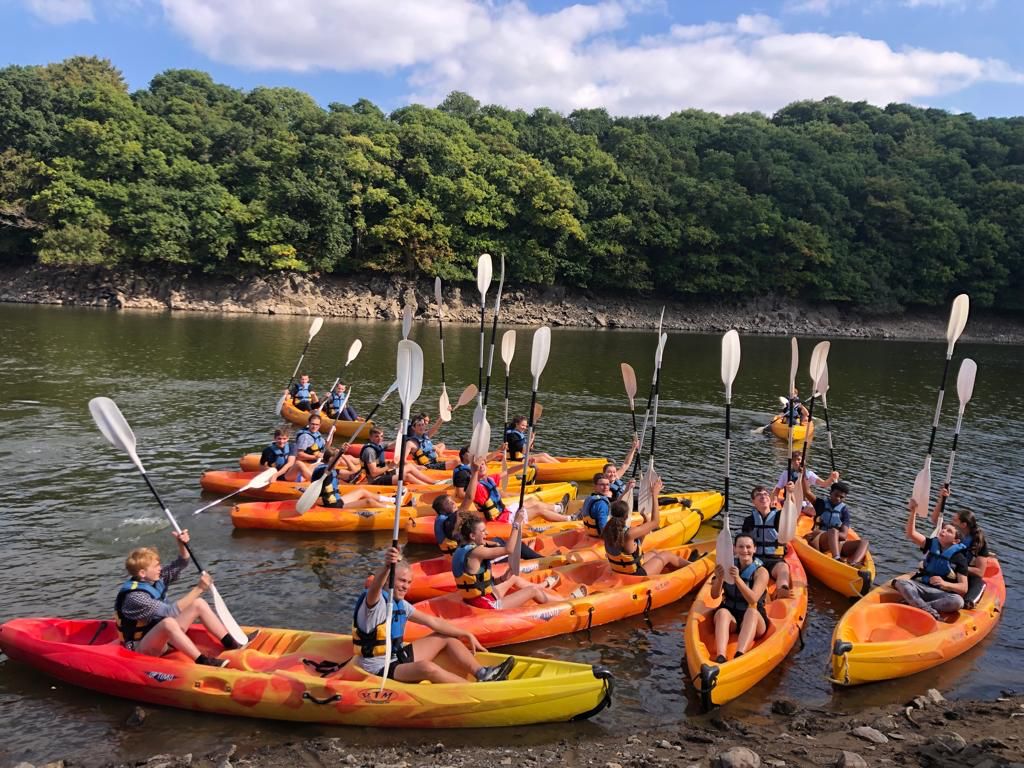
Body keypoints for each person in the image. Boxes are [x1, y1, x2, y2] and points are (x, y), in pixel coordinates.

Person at [352, 547, 515, 683]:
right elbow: (375, 588)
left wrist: (466, 634)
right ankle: (475, 690)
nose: (405, 587)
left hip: (397, 657)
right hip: (379, 669)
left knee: (447, 637)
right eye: (401, 581)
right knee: (426, 668)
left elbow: (432, 621)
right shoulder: (375, 602)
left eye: (409, 583)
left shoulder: (401, 604)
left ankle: (483, 673)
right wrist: (387, 566)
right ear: (389, 581)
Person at [115, 530, 245, 667]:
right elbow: (169, 612)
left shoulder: (154, 579)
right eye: (156, 566)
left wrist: (182, 545)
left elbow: (181, 563)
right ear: (142, 573)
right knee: (169, 622)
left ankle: (232, 643)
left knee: (198, 603)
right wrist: (199, 588)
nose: (160, 568)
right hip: (141, 648)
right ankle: (203, 661)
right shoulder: (135, 597)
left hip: (163, 637)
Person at [452, 513, 575, 610]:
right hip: (485, 605)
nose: (487, 533)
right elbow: (509, 549)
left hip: (478, 598)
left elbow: (478, 582)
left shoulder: (460, 550)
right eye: (483, 531)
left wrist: (501, 579)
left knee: (513, 577)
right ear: (472, 536)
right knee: (533, 591)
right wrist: (516, 523)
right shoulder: (477, 552)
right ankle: (567, 601)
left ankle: (543, 586)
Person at [893, 496, 969, 618]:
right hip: (922, 587)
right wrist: (913, 512)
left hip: (941, 593)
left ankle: (917, 605)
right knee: (901, 583)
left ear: (956, 541)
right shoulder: (931, 543)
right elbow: (911, 534)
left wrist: (945, 583)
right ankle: (928, 611)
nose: (943, 531)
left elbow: (963, 588)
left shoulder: (959, 558)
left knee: (958, 601)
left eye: (949, 531)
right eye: (943, 529)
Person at [602, 476, 688, 576]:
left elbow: (636, 545)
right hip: (635, 574)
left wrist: (645, 520)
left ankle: (676, 568)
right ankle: (694, 565)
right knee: (666, 555)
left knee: (655, 553)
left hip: (622, 569)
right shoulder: (629, 533)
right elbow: (655, 522)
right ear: (627, 515)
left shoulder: (608, 529)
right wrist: (654, 495)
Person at [707, 533, 769, 664]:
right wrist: (719, 578)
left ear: (754, 549)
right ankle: (721, 656)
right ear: (734, 549)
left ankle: (740, 654)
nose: (745, 550)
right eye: (741, 547)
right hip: (732, 618)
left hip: (754, 620)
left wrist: (737, 579)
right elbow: (714, 595)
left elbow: (753, 600)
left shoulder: (761, 572)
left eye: (748, 547)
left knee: (752, 612)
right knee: (722, 613)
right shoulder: (728, 566)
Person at [457, 457, 572, 523]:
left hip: (505, 512)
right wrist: (474, 473)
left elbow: (508, 471)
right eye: (478, 466)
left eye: (483, 464)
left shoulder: (489, 479)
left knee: (532, 501)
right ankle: (569, 519)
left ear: (487, 466)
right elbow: (469, 497)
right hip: (501, 520)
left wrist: (524, 464)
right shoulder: (477, 486)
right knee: (538, 509)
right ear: (473, 469)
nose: (481, 466)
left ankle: (559, 508)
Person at [930, 488, 992, 608]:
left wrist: (958, 567)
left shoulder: (978, 541)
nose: (951, 523)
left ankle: (969, 602)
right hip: (949, 571)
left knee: (978, 581)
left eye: (954, 520)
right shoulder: (952, 533)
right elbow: (935, 520)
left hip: (965, 574)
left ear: (964, 525)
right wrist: (941, 499)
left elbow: (980, 572)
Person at [432, 494, 542, 560]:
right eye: (448, 503)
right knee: (517, 547)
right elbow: (469, 498)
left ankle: (527, 553)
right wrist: (516, 524)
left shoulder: (444, 521)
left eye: (452, 500)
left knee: (498, 540)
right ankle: (541, 560)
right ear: (442, 510)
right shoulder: (449, 523)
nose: (453, 503)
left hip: (464, 554)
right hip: (471, 558)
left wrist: (492, 543)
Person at [741, 485, 791, 598]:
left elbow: (792, 510)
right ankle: (753, 592)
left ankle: (782, 588)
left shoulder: (780, 516)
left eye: (765, 494)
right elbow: (744, 542)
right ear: (753, 502)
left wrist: (791, 493)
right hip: (756, 560)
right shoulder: (749, 520)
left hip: (775, 559)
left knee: (783, 568)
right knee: (757, 572)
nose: (763, 496)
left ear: (770, 499)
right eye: (758, 495)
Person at [802, 481, 869, 565]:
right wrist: (803, 473)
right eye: (836, 495)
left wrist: (833, 535)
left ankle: (853, 563)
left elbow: (844, 535)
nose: (838, 498)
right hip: (818, 540)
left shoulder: (844, 511)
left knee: (864, 542)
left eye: (841, 497)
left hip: (836, 543)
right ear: (830, 493)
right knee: (833, 531)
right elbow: (807, 492)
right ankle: (836, 559)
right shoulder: (821, 503)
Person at [312, 448, 400, 509]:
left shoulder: (334, 470)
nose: (339, 462)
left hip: (337, 500)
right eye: (338, 459)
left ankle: (392, 500)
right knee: (368, 502)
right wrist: (339, 454)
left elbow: (353, 470)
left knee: (362, 491)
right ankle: (394, 509)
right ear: (332, 459)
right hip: (332, 504)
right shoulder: (323, 470)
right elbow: (327, 470)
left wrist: (343, 456)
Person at [358, 427, 442, 486]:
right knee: (406, 476)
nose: (380, 439)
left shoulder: (379, 445)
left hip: (383, 474)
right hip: (375, 480)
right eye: (376, 436)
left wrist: (402, 434)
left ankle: (434, 482)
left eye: (381, 436)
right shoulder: (370, 451)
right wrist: (389, 466)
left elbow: (393, 444)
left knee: (409, 466)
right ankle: (429, 487)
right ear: (370, 437)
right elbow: (373, 473)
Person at [773, 451, 838, 507]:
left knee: (817, 508)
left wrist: (831, 478)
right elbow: (777, 489)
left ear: (804, 461)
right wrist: (775, 500)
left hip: (803, 503)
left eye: (798, 460)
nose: (796, 462)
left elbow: (824, 484)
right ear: (791, 462)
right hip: (789, 502)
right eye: (794, 460)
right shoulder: (786, 473)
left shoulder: (809, 474)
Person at [291, 412, 328, 481]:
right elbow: (299, 455)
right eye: (312, 424)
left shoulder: (317, 434)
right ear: (309, 423)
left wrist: (332, 434)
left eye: (317, 424)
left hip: (316, 461)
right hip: (306, 463)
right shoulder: (305, 437)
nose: (314, 427)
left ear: (320, 425)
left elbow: (326, 447)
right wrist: (315, 457)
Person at [603, 436, 639, 501]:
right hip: (619, 505)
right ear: (604, 474)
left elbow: (626, 464)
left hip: (628, 499)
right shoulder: (604, 486)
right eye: (609, 472)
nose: (612, 474)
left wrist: (633, 448)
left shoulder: (616, 477)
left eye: (614, 472)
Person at [581, 473, 613, 537]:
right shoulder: (602, 503)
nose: (605, 487)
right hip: (599, 535)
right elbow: (602, 524)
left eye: (607, 484)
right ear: (595, 486)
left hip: (589, 533)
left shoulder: (589, 498)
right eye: (602, 485)